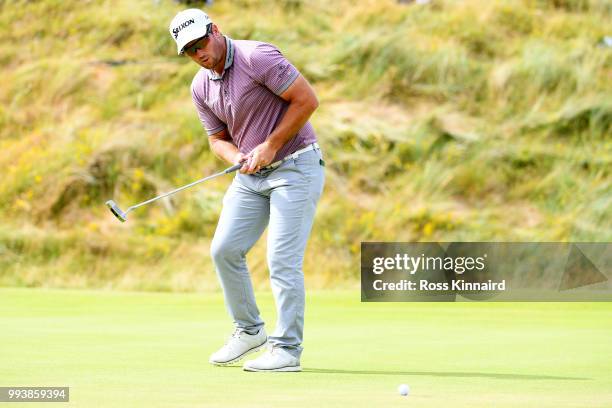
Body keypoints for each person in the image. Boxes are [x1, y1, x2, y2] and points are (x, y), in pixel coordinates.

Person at [169, 9, 325, 372]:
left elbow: (307, 100)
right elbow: (216, 139)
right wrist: (237, 155)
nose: (199, 53)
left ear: (216, 30)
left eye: (201, 42)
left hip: (296, 165)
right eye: (189, 50)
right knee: (224, 249)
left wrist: (270, 145)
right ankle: (250, 330)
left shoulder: (258, 57)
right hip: (251, 178)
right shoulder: (200, 85)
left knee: (282, 261)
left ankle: (286, 350)